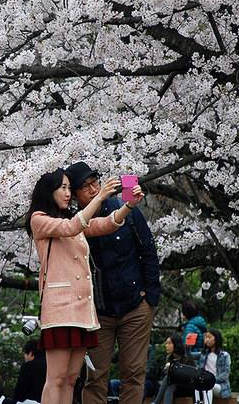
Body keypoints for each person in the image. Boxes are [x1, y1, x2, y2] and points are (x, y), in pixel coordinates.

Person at [25, 167, 144, 404]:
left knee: (71, 379)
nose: (68, 193)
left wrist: (128, 205)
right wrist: (100, 197)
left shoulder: (69, 219)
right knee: (56, 378)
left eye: (70, 188)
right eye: (63, 188)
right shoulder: (39, 219)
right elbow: (72, 228)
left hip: (81, 310)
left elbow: (104, 224)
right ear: (49, 191)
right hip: (60, 310)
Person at [65, 161, 160, 404]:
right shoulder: (72, 224)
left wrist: (151, 298)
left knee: (134, 374)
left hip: (135, 305)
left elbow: (147, 251)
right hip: (98, 312)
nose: (93, 189)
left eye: (95, 182)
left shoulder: (124, 208)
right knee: (95, 377)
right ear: (74, 194)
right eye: (85, 187)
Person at [150, 334, 195, 404]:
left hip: (186, 386)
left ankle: (156, 402)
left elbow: (189, 376)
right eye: (166, 343)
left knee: (169, 381)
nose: (166, 346)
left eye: (169, 343)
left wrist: (173, 369)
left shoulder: (187, 358)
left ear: (176, 344)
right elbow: (166, 374)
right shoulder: (169, 358)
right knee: (170, 385)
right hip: (173, 385)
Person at [197, 329, 231, 403]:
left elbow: (225, 374)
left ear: (216, 339)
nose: (207, 339)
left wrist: (211, 380)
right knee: (197, 387)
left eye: (209, 337)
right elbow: (189, 355)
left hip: (220, 386)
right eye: (206, 337)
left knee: (207, 386)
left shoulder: (224, 355)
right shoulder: (204, 354)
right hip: (205, 383)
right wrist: (188, 347)